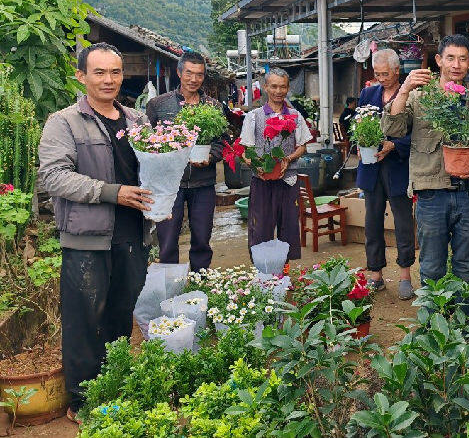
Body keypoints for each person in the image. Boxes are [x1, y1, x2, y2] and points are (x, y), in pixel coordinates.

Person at [38, 43, 155, 421]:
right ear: (82, 76)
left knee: (121, 313)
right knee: (85, 318)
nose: (109, 80)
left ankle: (114, 383)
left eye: (115, 72)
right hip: (87, 236)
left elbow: (154, 168)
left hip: (132, 233)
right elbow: (53, 177)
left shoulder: (138, 120)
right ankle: (83, 400)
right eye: (100, 72)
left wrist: (163, 196)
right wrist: (111, 192)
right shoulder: (64, 122)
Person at [382, 34, 469, 284]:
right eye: (450, 58)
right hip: (431, 194)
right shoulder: (419, 97)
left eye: (462, 59)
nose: (456, 65)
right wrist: (404, 89)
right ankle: (433, 323)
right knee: (432, 268)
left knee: (467, 267)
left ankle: (464, 322)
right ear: (438, 60)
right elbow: (393, 130)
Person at [146, 51, 229, 271]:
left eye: (199, 74)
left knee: (202, 239)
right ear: (179, 73)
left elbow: (222, 141)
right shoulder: (158, 105)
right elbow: (148, 141)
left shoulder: (213, 107)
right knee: (167, 240)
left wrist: (211, 157)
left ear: (204, 77)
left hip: (203, 184)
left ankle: (200, 284)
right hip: (169, 186)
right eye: (189, 73)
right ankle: (169, 287)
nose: (194, 79)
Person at [357, 49, 416, 300]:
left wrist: (395, 145)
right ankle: (376, 274)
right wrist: (360, 145)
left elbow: (419, 134)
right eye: (377, 73)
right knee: (372, 223)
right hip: (371, 168)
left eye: (385, 74)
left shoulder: (411, 94)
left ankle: (405, 275)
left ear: (397, 70)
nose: (380, 78)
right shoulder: (368, 93)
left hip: (398, 168)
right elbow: (357, 125)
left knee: (403, 222)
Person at [239, 68, 313, 266]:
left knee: (288, 229)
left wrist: (288, 159)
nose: (278, 91)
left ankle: (284, 271)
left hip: (288, 181)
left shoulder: (295, 116)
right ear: (265, 87)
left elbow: (303, 146)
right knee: (260, 229)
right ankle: (263, 274)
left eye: (282, 87)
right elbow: (245, 150)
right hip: (261, 182)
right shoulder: (253, 117)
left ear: (288, 88)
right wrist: (254, 163)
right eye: (273, 86)